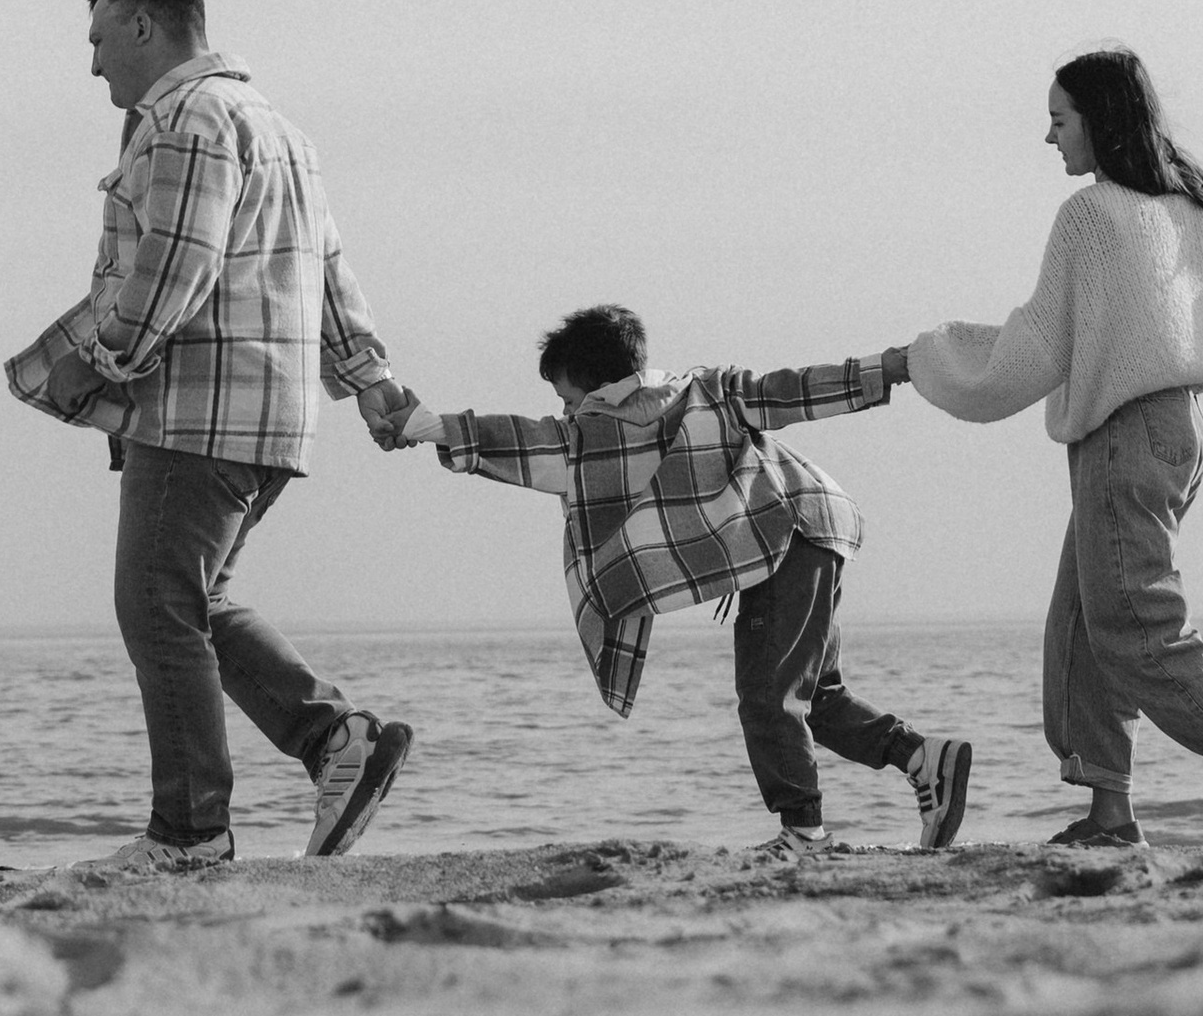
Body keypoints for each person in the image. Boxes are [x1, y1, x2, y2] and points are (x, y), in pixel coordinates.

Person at [7, 0, 412, 873]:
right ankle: (335, 739)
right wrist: (370, 378)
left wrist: (102, 365)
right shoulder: (280, 129)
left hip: (200, 407)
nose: (95, 66)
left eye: (100, 40)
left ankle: (191, 832)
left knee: (154, 606)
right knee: (191, 600)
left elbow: (177, 265)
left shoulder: (186, 120)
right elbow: (329, 273)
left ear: (145, 28)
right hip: (273, 413)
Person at [903, 45, 1203, 852]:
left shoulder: (1091, 217)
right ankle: (1110, 812)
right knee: (1079, 626)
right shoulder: (1199, 205)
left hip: (1126, 437)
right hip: (1173, 433)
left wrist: (929, 360)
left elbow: (1035, 345)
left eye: (1058, 118)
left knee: (1137, 627)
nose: (1048, 138)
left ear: (1098, 120)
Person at [367, 305, 973, 852]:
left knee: (767, 695)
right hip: (814, 523)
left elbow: (516, 439)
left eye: (567, 397)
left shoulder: (593, 434)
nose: (565, 412)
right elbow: (785, 391)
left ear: (594, 386)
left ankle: (804, 832)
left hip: (785, 537)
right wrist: (883, 368)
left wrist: (424, 426)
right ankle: (924, 759)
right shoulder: (706, 390)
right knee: (815, 698)